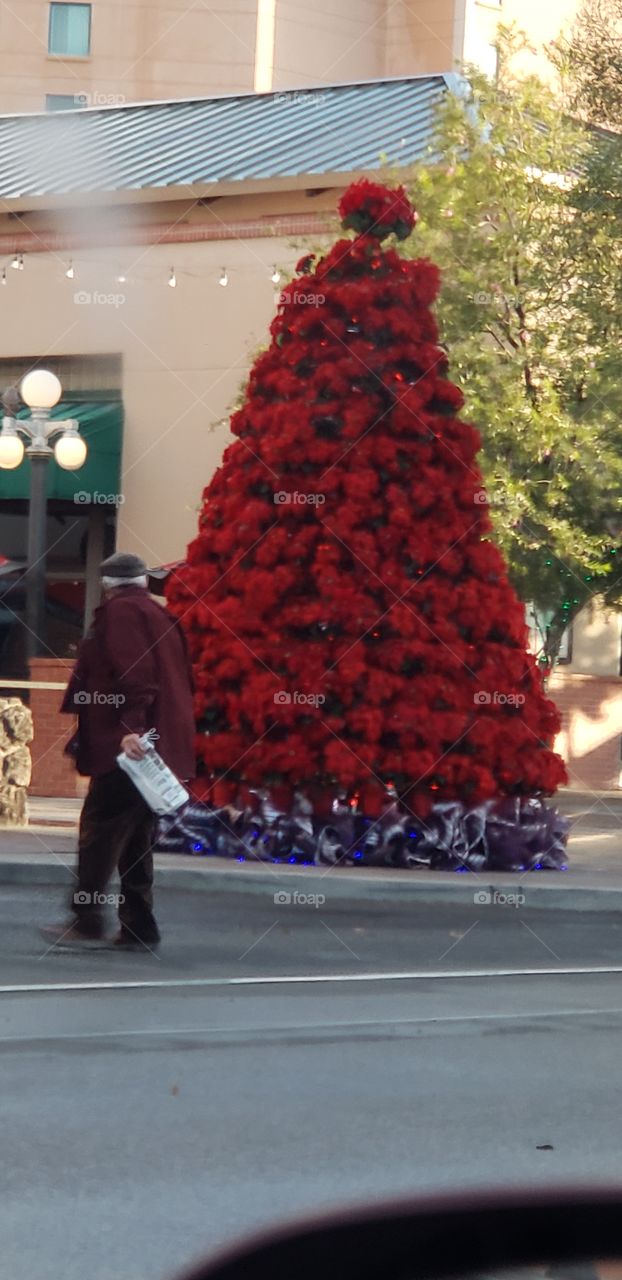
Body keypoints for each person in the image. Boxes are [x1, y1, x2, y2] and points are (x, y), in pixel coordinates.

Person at [42, 552, 195, 951]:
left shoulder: (121, 615)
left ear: (109, 582)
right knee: (135, 838)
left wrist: (132, 729)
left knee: (100, 831)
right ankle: (139, 926)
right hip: (156, 747)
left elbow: (137, 675)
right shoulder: (162, 616)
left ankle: (87, 917)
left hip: (127, 749)